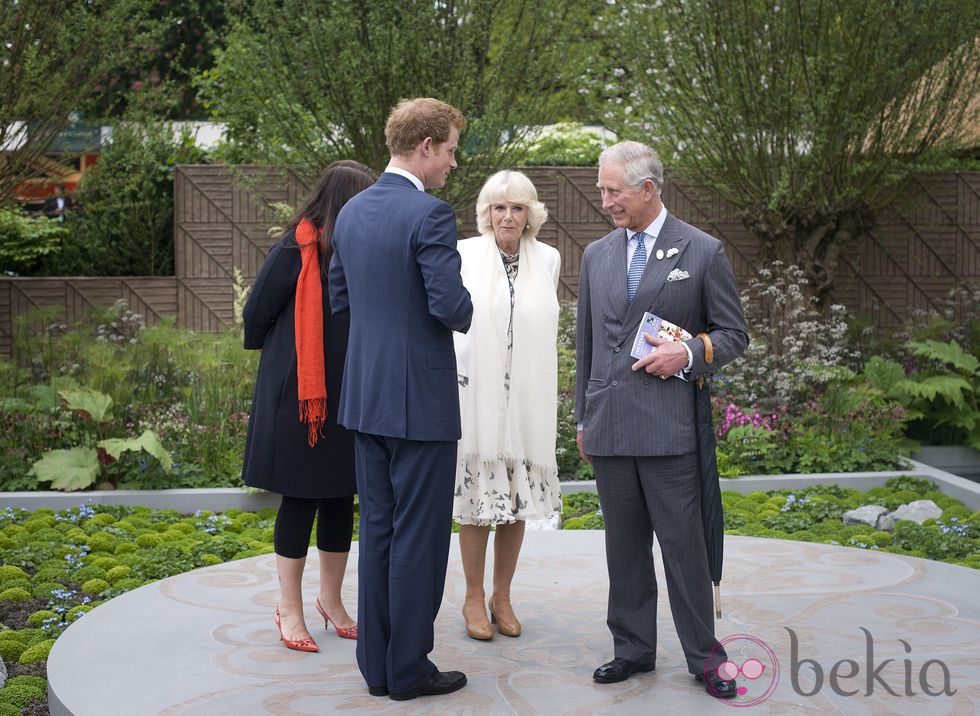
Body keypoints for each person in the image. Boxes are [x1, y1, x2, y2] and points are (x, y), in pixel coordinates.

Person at [574, 141, 748, 698]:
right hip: (609, 426)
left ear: (647, 189)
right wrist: (582, 418)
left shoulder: (701, 250)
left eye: (613, 190)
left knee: (684, 550)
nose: (605, 201)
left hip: (670, 431)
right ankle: (632, 649)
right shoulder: (597, 254)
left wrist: (690, 354)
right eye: (603, 190)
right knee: (622, 549)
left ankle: (705, 658)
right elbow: (588, 346)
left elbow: (733, 335)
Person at [328, 98, 473, 701]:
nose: (454, 163)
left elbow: (339, 296)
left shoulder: (351, 212)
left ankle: (377, 667)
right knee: (420, 537)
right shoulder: (431, 215)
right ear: (426, 147)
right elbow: (450, 307)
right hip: (421, 402)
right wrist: (467, 304)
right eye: (451, 150)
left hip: (365, 398)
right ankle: (409, 670)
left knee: (381, 530)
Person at [242, 160, 377, 653]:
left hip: (349, 393)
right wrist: (287, 358)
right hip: (299, 398)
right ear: (346, 202)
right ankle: (289, 607)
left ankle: (332, 601)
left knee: (343, 496)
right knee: (299, 499)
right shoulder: (293, 248)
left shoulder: (359, 251)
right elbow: (255, 315)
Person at [452, 170, 561, 641]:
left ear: (531, 214)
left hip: (527, 398)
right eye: (499, 207)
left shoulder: (549, 259)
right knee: (477, 502)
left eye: (518, 208)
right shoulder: (464, 254)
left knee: (517, 500)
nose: (508, 216)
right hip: (476, 394)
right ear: (486, 213)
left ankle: (503, 595)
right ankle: (473, 597)